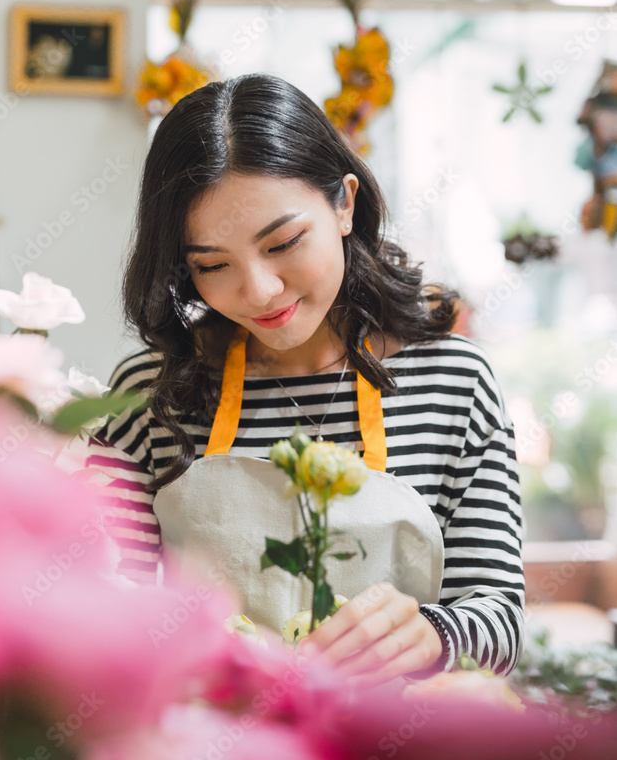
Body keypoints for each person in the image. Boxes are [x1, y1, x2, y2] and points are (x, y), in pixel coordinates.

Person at [86, 73, 524, 687]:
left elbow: (500, 620)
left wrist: (430, 634)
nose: (260, 292)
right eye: (212, 265)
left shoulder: (455, 382)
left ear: (344, 204)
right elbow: (102, 607)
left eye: (285, 242)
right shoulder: (148, 395)